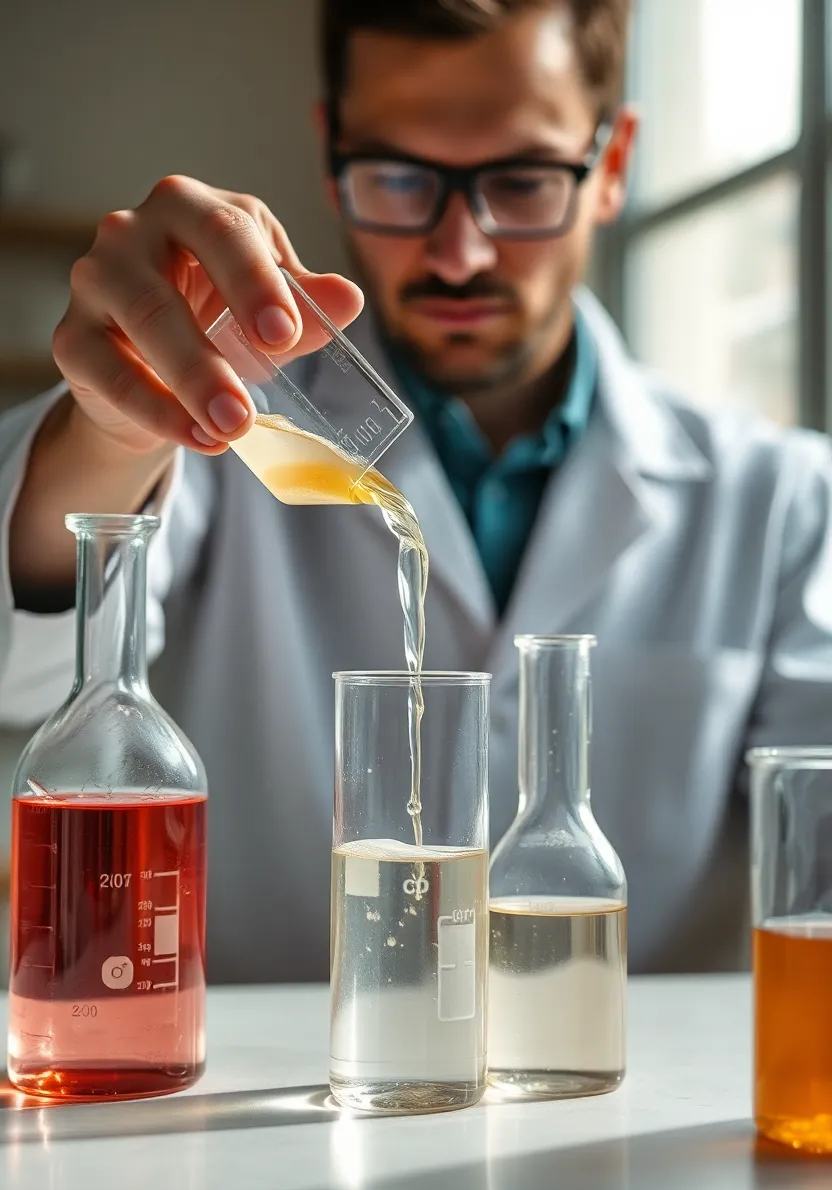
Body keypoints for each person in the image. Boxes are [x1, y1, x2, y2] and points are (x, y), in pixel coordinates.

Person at [2, 0, 831, 982]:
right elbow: (29, 669)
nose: (459, 253)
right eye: (399, 176)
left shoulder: (777, 500)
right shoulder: (233, 440)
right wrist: (112, 427)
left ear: (611, 166)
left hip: (624, 1119)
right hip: (263, 1121)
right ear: (331, 154)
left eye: (522, 180)